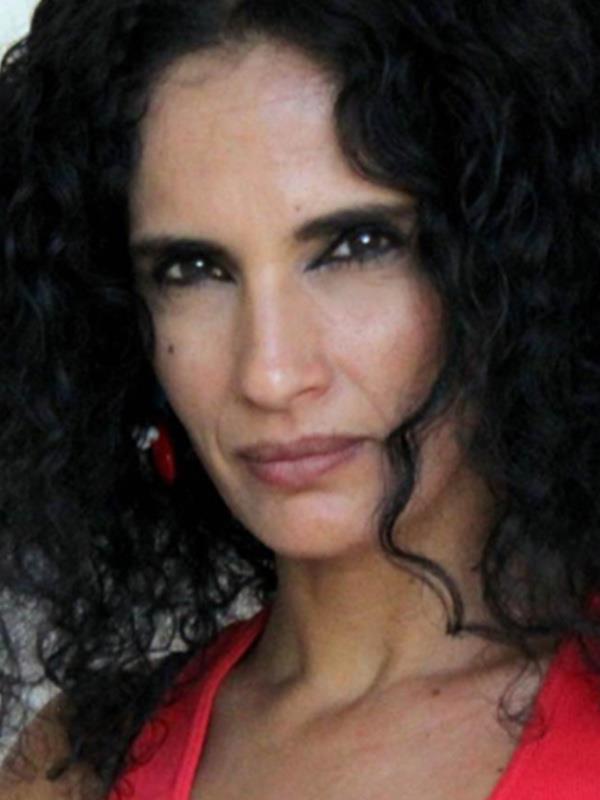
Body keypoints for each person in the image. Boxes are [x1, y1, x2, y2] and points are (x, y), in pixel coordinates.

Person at [0, 0, 599, 797]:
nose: (270, 375)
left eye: (357, 246)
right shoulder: (74, 765)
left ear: (514, 264)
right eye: (193, 270)